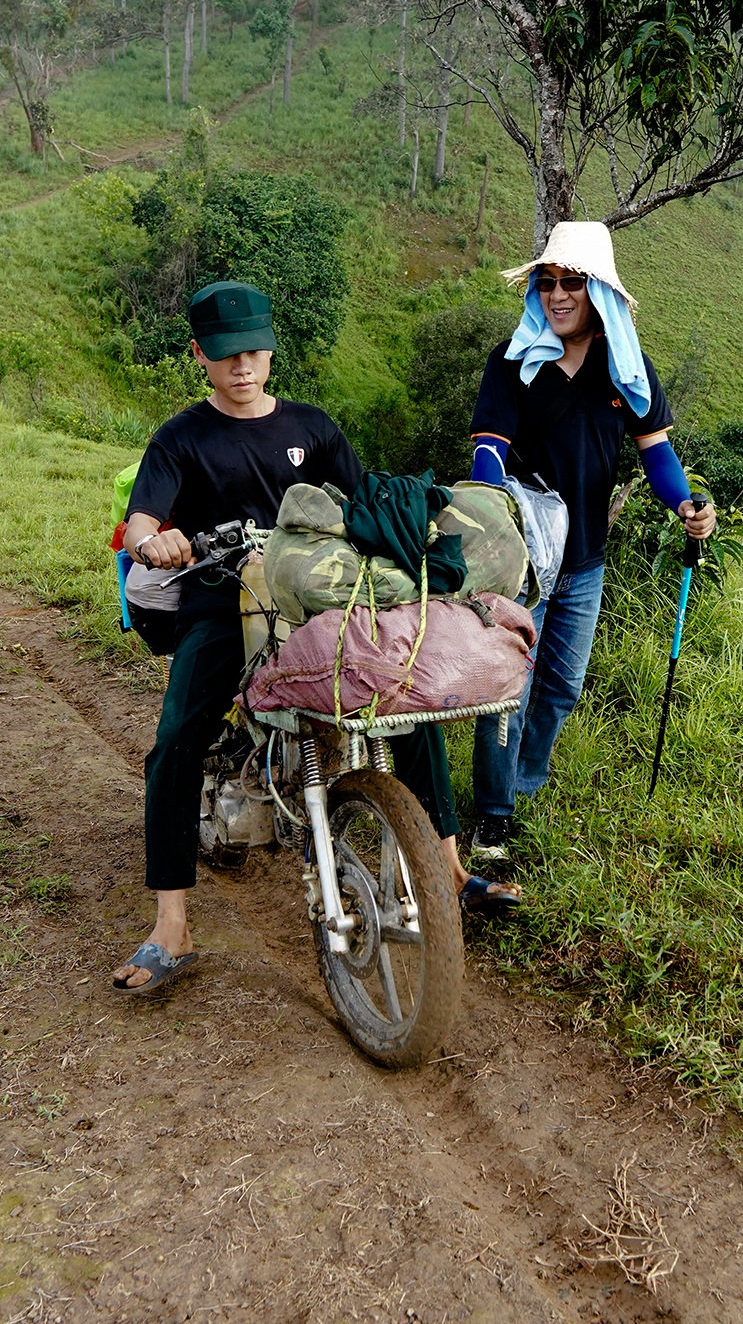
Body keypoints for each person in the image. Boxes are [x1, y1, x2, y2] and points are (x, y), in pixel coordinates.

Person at [113, 280, 519, 995]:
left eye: (254, 350)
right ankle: (170, 925)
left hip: (323, 596)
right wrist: (156, 540)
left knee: (403, 692)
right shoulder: (181, 437)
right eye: (226, 353)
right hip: (223, 596)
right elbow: (142, 520)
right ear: (200, 355)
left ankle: (449, 869)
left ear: (271, 349)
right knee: (176, 737)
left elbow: (361, 505)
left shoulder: (313, 427)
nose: (242, 365)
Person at [466, 222, 717, 861]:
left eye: (571, 282)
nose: (556, 294)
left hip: (584, 563)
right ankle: (492, 819)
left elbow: (655, 454)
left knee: (561, 687)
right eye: (546, 283)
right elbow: (488, 452)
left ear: (598, 291)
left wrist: (686, 503)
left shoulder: (624, 367)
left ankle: (523, 787)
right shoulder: (513, 363)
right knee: (506, 690)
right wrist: (494, 512)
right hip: (523, 563)